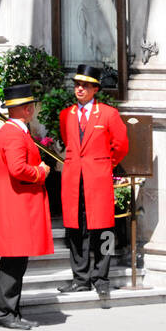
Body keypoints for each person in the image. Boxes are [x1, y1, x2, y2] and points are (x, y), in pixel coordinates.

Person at [57, 63, 129, 302]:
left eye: (85, 86)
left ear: (95, 89)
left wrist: (103, 164)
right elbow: (69, 142)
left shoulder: (108, 114)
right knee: (75, 230)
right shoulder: (66, 114)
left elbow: (120, 146)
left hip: (97, 180)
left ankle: (101, 278)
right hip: (73, 180)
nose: (79, 89)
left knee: (103, 230)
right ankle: (80, 279)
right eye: (77, 85)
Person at [0, 83, 53, 329]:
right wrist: (41, 171)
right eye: (32, 106)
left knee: (16, 260)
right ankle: (6, 313)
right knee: (14, 260)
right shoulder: (14, 134)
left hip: (14, 202)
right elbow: (17, 169)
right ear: (27, 109)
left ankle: (10, 312)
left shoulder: (13, 131)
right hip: (17, 203)